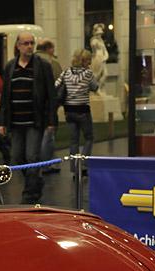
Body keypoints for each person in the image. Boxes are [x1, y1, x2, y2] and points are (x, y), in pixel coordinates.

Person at [0, 31, 57, 204]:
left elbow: (51, 95)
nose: (30, 46)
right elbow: (5, 96)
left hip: (34, 121)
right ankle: (35, 182)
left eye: (32, 43)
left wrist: (52, 121)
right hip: (15, 122)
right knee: (18, 157)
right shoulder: (10, 66)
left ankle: (29, 194)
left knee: (32, 156)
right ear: (18, 46)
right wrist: (2, 122)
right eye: (26, 43)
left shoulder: (42, 65)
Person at [55, 48, 98, 176]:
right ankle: (83, 164)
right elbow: (95, 87)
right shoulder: (88, 73)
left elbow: (56, 85)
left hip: (69, 110)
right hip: (83, 110)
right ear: (84, 61)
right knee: (89, 137)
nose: (89, 62)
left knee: (74, 141)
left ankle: (74, 168)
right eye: (88, 60)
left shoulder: (66, 72)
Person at [36, 38, 63, 171]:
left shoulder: (29, 61)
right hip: (48, 105)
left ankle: (36, 162)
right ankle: (46, 165)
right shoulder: (52, 62)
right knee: (48, 135)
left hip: (32, 106)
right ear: (48, 48)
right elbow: (60, 83)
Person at [90, 23, 109, 91]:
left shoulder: (101, 41)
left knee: (105, 74)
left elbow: (105, 50)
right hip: (97, 58)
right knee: (97, 74)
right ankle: (95, 89)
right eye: (98, 34)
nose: (100, 35)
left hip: (102, 59)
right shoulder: (94, 41)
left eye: (100, 34)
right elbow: (93, 48)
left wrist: (105, 57)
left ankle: (98, 87)